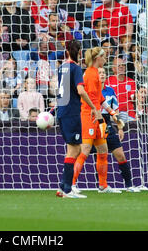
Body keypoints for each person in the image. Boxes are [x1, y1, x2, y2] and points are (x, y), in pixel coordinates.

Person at [71, 47, 122, 194]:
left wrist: (112, 112)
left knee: (103, 150)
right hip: (89, 116)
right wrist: (95, 110)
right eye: (104, 57)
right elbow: (89, 98)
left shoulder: (95, 75)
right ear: (97, 58)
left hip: (97, 115)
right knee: (85, 150)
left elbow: (100, 98)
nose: (105, 60)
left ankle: (103, 185)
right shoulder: (90, 75)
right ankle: (72, 184)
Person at [55, 39, 96, 198]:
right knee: (74, 150)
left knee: (74, 149)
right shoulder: (76, 68)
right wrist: (93, 107)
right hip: (72, 112)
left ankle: (63, 186)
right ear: (79, 53)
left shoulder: (61, 68)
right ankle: (66, 189)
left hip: (62, 111)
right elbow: (80, 90)